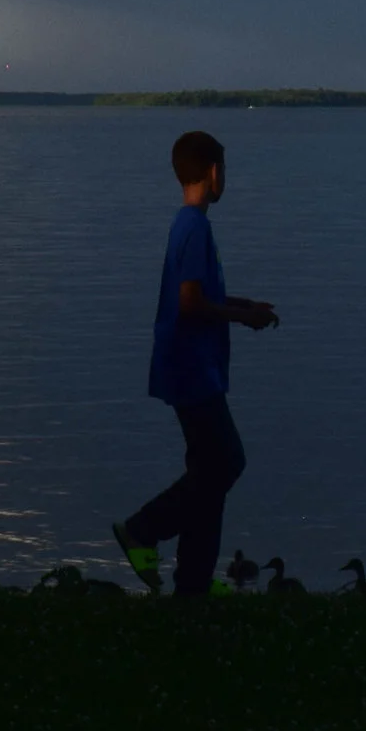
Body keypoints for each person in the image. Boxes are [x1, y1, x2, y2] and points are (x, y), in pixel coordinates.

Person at [111, 127, 278, 601]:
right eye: (226, 169)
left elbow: (202, 294)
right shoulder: (195, 227)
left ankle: (193, 585)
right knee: (226, 462)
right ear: (213, 172)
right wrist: (243, 318)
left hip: (191, 366)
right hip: (191, 369)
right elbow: (189, 303)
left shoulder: (187, 224)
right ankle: (142, 529)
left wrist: (244, 304)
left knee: (209, 472)